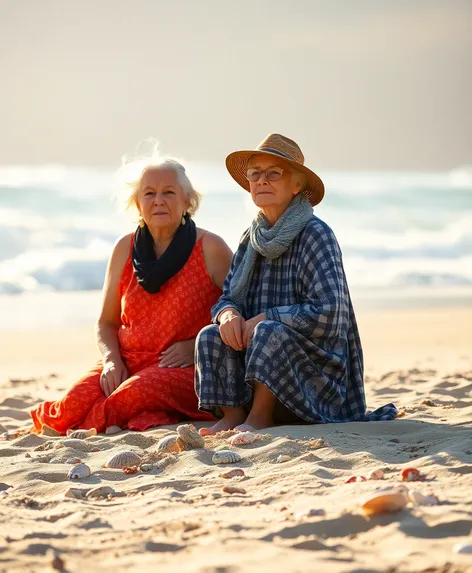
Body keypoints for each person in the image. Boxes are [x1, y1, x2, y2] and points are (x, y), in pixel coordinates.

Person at [195, 133, 397, 435]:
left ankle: (261, 417)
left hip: (315, 374)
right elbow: (228, 298)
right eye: (255, 174)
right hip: (257, 363)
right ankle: (235, 414)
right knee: (210, 335)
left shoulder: (316, 234)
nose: (262, 181)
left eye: (273, 173)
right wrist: (228, 315)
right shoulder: (250, 239)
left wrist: (268, 317)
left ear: (297, 185)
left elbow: (330, 313)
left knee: (268, 330)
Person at [30, 148, 232, 433]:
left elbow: (241, 308)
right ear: (137, 203)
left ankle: (90, 428)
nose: (158, 201)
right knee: (70, 406)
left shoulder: (211, 247)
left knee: (131, 396)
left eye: (169, 193)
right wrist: (111, 362)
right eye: (149, 193)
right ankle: (111, 417)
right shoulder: (124, 248)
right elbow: (106, 322)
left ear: (187, 200)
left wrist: (197, 346)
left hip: (185, 368)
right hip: (128, 359)